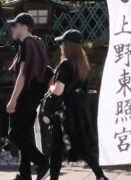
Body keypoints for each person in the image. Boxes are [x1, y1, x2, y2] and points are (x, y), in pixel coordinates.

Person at [46, 30, 107, 180]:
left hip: (64, 111)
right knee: (83, 147)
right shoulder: (82, 64)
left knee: (56, 148)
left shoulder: (65, 65)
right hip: (78, 111)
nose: (60, 46)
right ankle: (100, 176)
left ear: (68, 46)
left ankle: (54, 178)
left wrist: (50, 88)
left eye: (62, 43)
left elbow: (59, 90)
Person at [6, 13, 50, 180]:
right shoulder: (38, 43)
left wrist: (13, 99)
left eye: (15, 25)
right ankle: (24, 175)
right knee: (24, 134)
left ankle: (43, 163)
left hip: (25, 95)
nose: (13, 28)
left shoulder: (26, 44)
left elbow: (23, 74)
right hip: (34, 96)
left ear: (23, 26)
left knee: (15, 134)